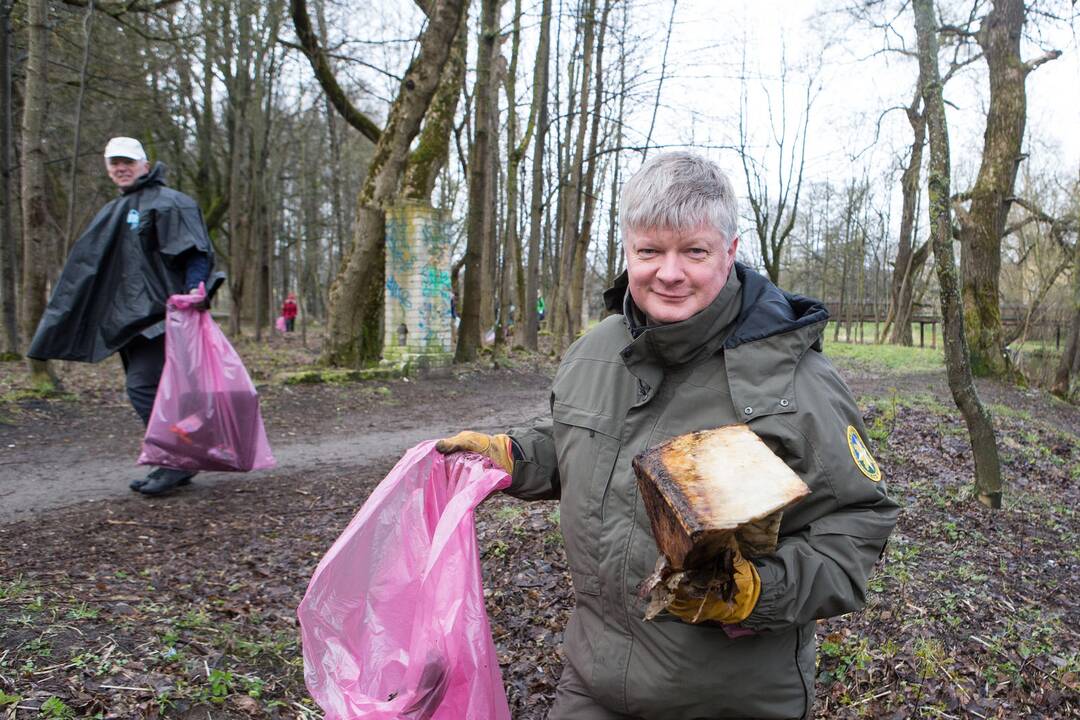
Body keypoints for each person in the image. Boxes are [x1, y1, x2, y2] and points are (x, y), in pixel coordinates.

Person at [437, 152, 899, 719]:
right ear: (627, 249)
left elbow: (855, 525)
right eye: (649, 251)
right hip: (592, 685)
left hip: (728, 701)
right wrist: (512, 456)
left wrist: (758, 591)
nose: (669, 272)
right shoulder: (596, 351)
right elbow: (578, 444)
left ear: (730, 252)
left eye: (694, 251)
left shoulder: (794, 384)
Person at [28, 137, 214, 496]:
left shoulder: (169, 203)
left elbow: (196, 252)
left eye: (127, 161)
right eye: (114, 162)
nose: (120, 168)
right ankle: (177, 457)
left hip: (161, 318)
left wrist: (194, 291)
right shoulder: (117, 209)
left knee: (143, 387)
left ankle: (177, 460)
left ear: (145, 164)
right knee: (159, 391)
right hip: (128, 321)